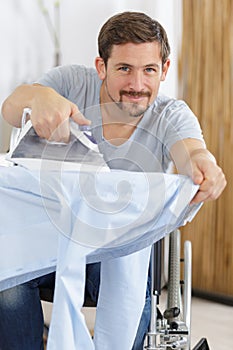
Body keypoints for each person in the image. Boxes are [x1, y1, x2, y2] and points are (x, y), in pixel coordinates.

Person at [0, 11, 226, 350]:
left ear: (164, 70)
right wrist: (36, 96)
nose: (137, 84)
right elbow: (12, 109)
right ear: (102, 66)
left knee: (133, 289)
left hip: (118, 252)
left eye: (149, 70)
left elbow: (191, 151)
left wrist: (204, 166)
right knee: (8, 283)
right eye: (124, 69)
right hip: (48, 242)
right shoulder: (71, 84)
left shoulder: (171, 114)